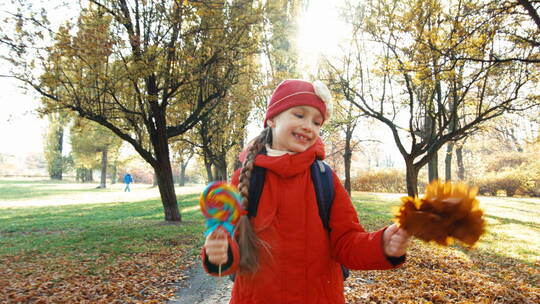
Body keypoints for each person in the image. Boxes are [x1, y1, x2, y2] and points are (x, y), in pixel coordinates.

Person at [202, 79, 411, 303]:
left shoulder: (324, 179)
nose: (308, 126)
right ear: (272, 118)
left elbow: (346, 243)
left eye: (317, 122)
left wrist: (381, 245)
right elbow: (231, 250)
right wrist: (217, 254)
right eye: (299, 115)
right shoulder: (244, 179)